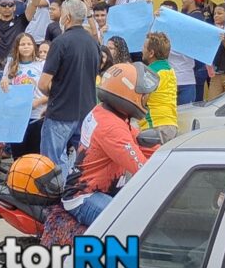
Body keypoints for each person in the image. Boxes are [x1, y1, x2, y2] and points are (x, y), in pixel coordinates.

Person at [62, 62, 159, 226]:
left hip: (100, 190)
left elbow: (139, 142)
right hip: (85, 196)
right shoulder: (111, 128)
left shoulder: (108, 113)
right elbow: (142, 169)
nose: (146, 101)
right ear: (128, 94)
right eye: (144, 96)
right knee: (130, 225)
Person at [38, 0, 100, 176]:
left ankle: (57, 199)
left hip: (61, 112)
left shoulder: (60, 42)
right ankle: (73, 197)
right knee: (81, 163)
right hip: (87, 112)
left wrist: (55, 95)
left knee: (52, 164)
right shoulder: (93, 43)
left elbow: (43, 83)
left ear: (67, 17)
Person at [0, 33, 47, 158]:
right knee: (18, 154)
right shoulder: (11, 65)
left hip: (36, 116)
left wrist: (39, 101)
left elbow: (53, 91)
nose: (26, 47)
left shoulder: (42, 64)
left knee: (34, 154)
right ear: (17, 47)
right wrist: (4, 80)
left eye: (29, 44)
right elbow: (5, 88)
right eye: (22, 44)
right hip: (17, 116)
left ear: (34, 46)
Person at [137, 33, 178, 142]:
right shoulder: (170, 70)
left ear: (151, 53)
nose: (142, 49)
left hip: (155, 125)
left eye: (144, 47)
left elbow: (142, 100)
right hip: (171, 123)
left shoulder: (150, 72)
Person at [161, 0, 197, 105]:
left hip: (187, 81)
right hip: (168, 81)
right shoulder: (158, 32)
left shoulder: (188, 29)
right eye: (164, 12)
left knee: (186, 116)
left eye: (169, 12)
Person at [178, 0, 209, 103]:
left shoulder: (191, 20)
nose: (182, 0)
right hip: (196, 68)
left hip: (192, 69)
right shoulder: (200, 18)